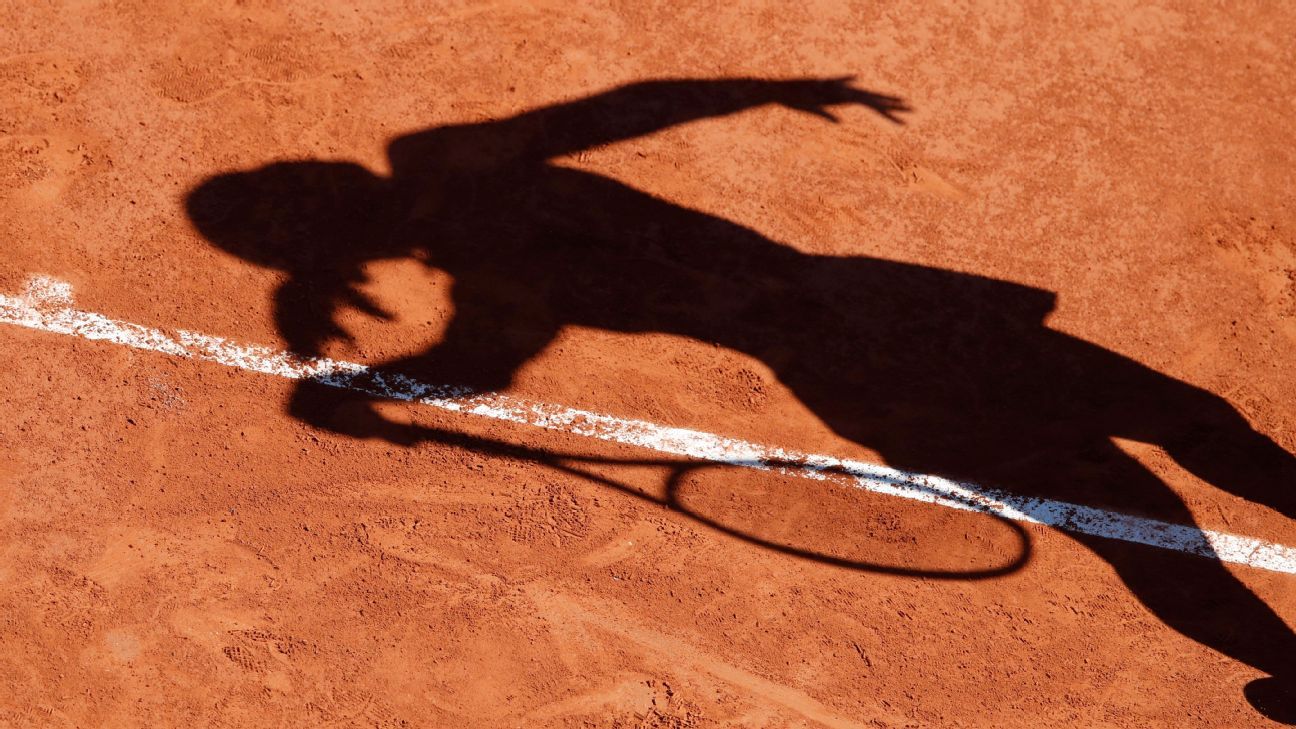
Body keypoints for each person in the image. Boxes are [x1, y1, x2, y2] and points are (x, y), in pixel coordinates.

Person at [187, 77, 1296, 722]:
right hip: (886, 311)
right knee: (1194, 431)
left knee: (1151, 531)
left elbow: (488, 359)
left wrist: (361, 392)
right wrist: (773, 87)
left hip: (864, 370)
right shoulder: (444, 162)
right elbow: (621, 109)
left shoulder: (479, 258)